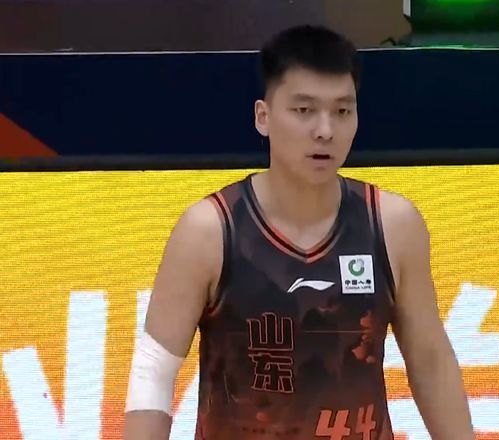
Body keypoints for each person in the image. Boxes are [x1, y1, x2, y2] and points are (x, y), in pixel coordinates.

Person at [124, 25, 474, 440]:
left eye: (342, 111)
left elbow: (430, 360)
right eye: (305, 110)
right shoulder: (209, 231)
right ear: (263, 117)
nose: (325, 130)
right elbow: (154, 370)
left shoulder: (393, 224)